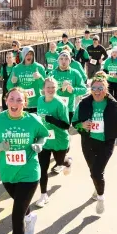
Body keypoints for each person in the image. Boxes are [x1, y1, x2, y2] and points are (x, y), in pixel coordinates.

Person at [0, 87, 49, 234]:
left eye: (19, 100)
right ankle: (30, 217)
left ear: (25, 103)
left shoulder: (32, 120)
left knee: (16, 216)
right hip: (8, 174)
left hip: (29, 173)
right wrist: (2, 146)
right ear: (6, 100)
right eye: (11, 99)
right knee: (22, 207)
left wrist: (39, 144)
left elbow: (43, 134)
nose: (15, 103)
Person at [72, 72, 117, 214]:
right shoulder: (84, 103)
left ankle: (100, 198)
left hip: (107, 143)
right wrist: (82, 124)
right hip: (88, 142)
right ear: (90, 89)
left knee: (97, 171)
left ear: (105, 90)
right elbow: (74, 122)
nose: (97, 91)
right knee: (95, 172)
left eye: (100, 88)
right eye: (94, 88)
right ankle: (97, 185)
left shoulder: (112, 105)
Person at [36, 78, 72, 208]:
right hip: (45, 140)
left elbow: (66, 125)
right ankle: (43, 195)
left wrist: (51, 119)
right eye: (48, 87)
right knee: (42, 168)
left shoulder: (60, 104)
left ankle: (68, 162)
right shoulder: (40, 100)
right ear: (43, 89)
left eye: (53, 88)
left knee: (60, 162)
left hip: (59, 139)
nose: (50, 90)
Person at [6, 46, 46, 113]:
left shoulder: (39, 67)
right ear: (23, 55)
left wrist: (40, 78)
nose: (29, 56)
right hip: (21, 104)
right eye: (27, 54)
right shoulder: (16, 68)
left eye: (31, 54)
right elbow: (9, 88)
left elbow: (45, 87)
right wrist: (11, 82)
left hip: (36, 104)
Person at [50, 51, 87, 123]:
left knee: (66, 129)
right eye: (61, 59)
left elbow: (84, 89)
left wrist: (74, 90)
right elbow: (46, 90)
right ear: (57, 61)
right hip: (55, 107)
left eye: (66, 59)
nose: (63, 61)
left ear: (70, 61)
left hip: (69, 108)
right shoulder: (52, 74)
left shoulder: (75, 73)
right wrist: (61, 89)